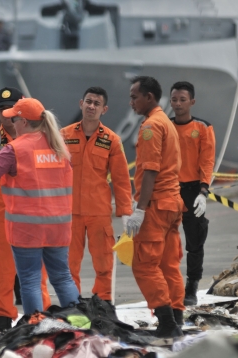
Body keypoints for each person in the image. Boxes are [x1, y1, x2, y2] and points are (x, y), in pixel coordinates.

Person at [0, 98, 80, 314]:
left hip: (27, 229)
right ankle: (81, 325)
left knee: (29, 280)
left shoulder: (15, 149)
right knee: (62, 277)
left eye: (14, 118)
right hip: (59, 227)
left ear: (23, 122)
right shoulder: (59, 147)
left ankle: (35, 328)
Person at [0, 88, 51, 330]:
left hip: (34, 218)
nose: (7, 113)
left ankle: (39, 322)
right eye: (3, 109)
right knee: (1, 274)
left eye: (12, 108)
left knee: (37, 274)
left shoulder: (41, 139)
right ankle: (3, 324)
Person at [61, 87, 132, 302]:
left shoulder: (112, 140)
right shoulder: (63, 135)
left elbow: (121, 179)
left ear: (104, 109)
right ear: (81, 103)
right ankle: (71, 303)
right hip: (69, 212)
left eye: (96, 104)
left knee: (103, 263)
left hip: (99, 212)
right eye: (88, 102)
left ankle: (103, 304)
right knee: (68, 264)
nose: (91, 106)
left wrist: (126, 211)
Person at [126, 76, 184, 338]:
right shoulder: (167, 123)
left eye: (134, 96)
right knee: (168, 265)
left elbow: (149, 170)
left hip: (157, 206)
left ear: (149, 97)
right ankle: (177, 316)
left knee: (145, 265)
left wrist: (140, 209)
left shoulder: (151, 126)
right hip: (173, 204)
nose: (131, 102)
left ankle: (167, 322)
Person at [170, 81, 216, 306]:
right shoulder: (164, 126)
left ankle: (192, 285)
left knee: (195, 241)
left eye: (182, 100)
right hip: (168, 189)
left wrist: (203, 191)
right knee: (164, 240)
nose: (178, 104)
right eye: (174, 99)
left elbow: (207, 161)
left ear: (192, 102)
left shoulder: (203, 128)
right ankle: (170, 283)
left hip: (192, 191)